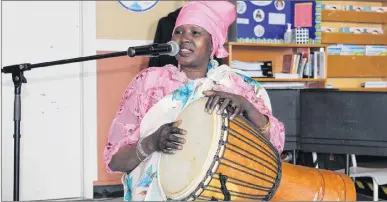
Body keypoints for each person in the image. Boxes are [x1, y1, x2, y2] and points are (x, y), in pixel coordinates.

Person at [104, 1, 286, 201]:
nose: (184, 39)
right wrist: (151, 143)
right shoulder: (148, 84)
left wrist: (247, 107)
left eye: (196, 32)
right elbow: (115, 160)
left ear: (213, 43)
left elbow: (275, 145)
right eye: (179, 32)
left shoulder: (239, 86)